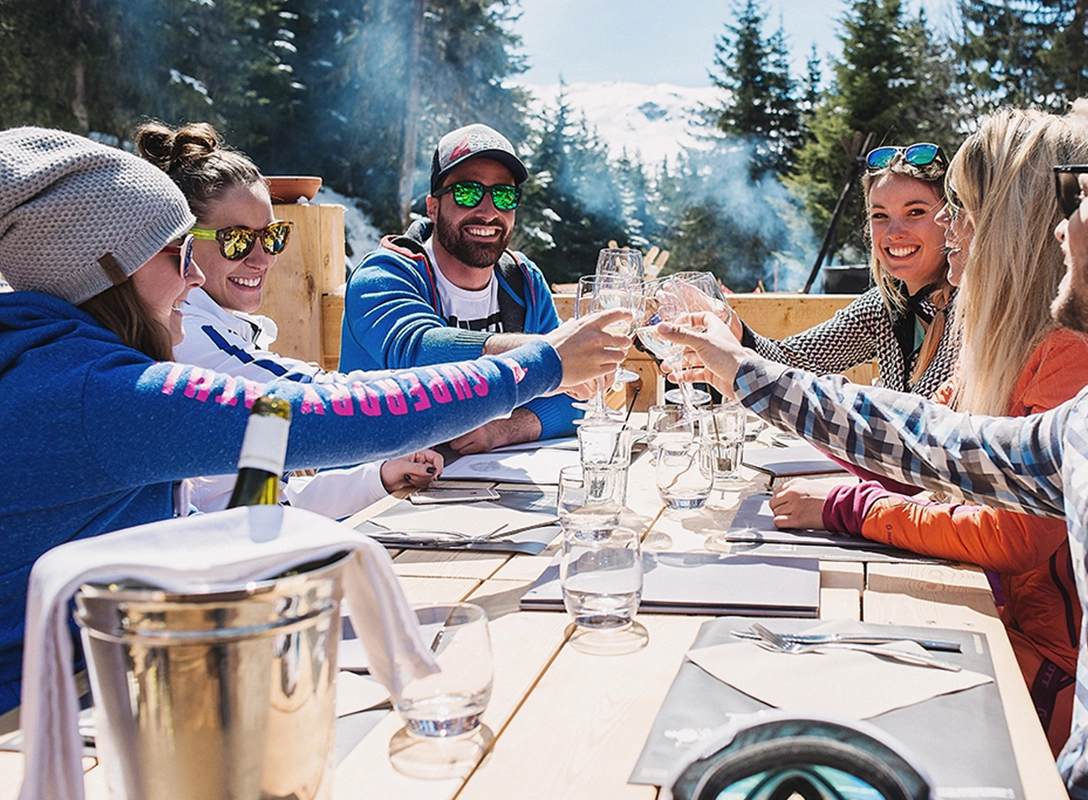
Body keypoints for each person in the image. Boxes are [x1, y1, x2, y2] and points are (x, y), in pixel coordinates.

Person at [660, 69, 1088, 799]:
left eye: (1083, 193)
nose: (1062, 225)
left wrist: (841, 497)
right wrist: (745, 368)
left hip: (1039, 686)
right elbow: (931, 440)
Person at [0, 126, 632, 711]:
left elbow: (202, 519)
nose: (193, 277)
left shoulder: (54, 365)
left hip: (91, 674)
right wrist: (541, 364)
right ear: (107, 268)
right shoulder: (101, 393)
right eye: (177, 254)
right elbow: (322, 414)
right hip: (43, 714)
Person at [768, 109, 1088, 754]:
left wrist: (848, 507)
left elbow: (1013, 534)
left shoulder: (1072, 351)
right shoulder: (999, 338)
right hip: (1009, 626)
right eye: (881, 216)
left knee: (819, 693)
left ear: (1012, 226)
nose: (948, 225)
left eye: (959, 208)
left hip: (1055, 678)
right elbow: (916, 441)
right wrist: (761, 381)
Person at [140, 121, 442, 516]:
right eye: (237, 240)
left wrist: (377, 478)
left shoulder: (225, 330)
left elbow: (261, 502)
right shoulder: (190, 339)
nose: (262, 258)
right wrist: (499, 379)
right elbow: (332, 399)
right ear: (185, 243)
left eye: (272, 236)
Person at [341, 123, 575, 453]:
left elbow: (577, 399)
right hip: (373, 480)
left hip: (479, 478)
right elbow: (416, 352)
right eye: (467, 193)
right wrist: (547, 354)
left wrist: (504, 429)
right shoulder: (383, 275)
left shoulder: (523, 281)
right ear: (433, 207)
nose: (488, 212)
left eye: (504, 196)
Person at [722, 142, 961, 398]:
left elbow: (922, 415)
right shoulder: (884, 306)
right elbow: (796, 360)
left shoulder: (971, 311)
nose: (894, 233)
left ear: (949, 219)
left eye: (915, 212)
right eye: (880, 216)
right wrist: (732, 327)